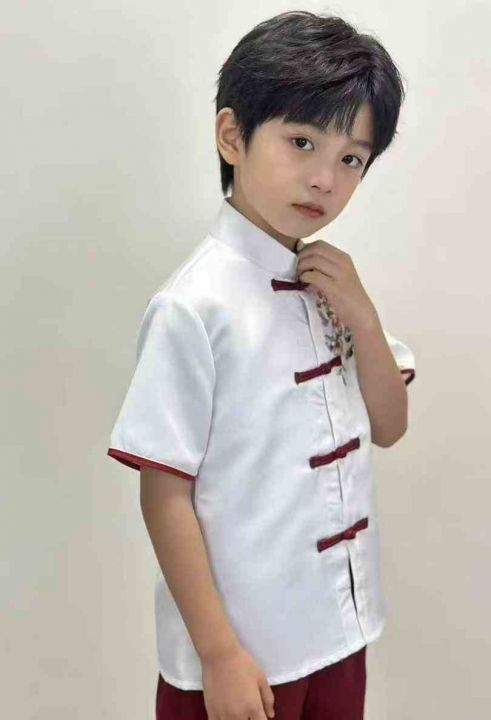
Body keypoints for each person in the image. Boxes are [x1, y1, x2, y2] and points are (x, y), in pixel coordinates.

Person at [107, 10, 416, 720]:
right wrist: (218, 654)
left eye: (351, 159)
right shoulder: (193, 306)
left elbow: (390, 426)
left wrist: (364, 320)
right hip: (240, 656)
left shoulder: (333, 286)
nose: (324, 179)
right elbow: (164, 493)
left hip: (339, 628)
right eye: (301, 142)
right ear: (231, 136)